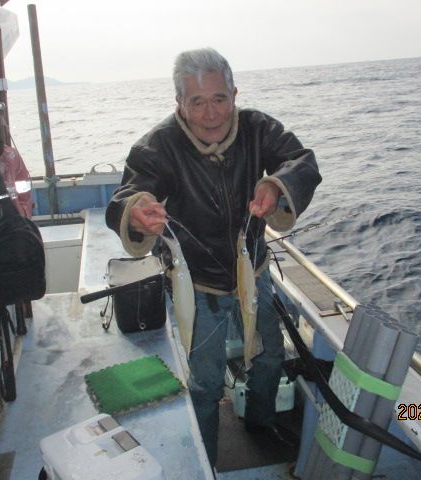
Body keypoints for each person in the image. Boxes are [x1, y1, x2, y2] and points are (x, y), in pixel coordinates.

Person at [105, 47, 322, 467]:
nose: (210, 114)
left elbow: (302, 161)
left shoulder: (257, 128)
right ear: (179, 103)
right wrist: (138, 210)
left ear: (234, 94)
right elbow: (126, 195)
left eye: (219, 99)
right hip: (197, 285)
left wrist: (276, 184)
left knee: (270, 357)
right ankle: (204, 457)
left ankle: (260, 425)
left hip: (253, 271)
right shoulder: (159, 145)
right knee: (205, 380)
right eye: (197, 102)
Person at [0, 139, 33, 219]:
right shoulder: (7, 150)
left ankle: (23, 219)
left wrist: (19, 214)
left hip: (20, 199)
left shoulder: (8, 161)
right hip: (23, 193)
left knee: (22, 214)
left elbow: (11, 189)